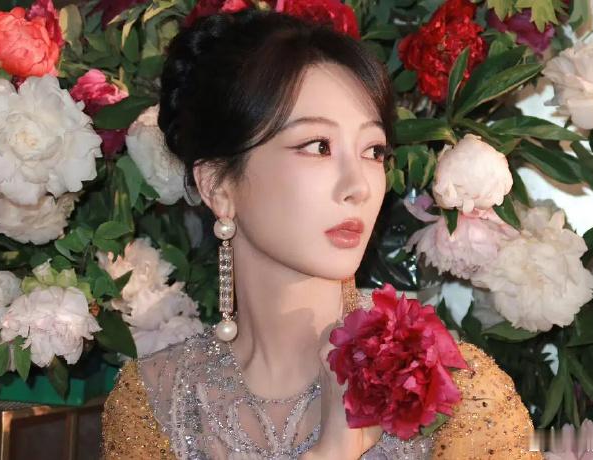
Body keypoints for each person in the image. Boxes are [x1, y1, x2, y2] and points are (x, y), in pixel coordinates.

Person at [101, 9, 541, 459]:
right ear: (218, 186)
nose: (358, 186)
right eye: (318, 146)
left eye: (373, 151)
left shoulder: (456, 393)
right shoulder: (155, 405)